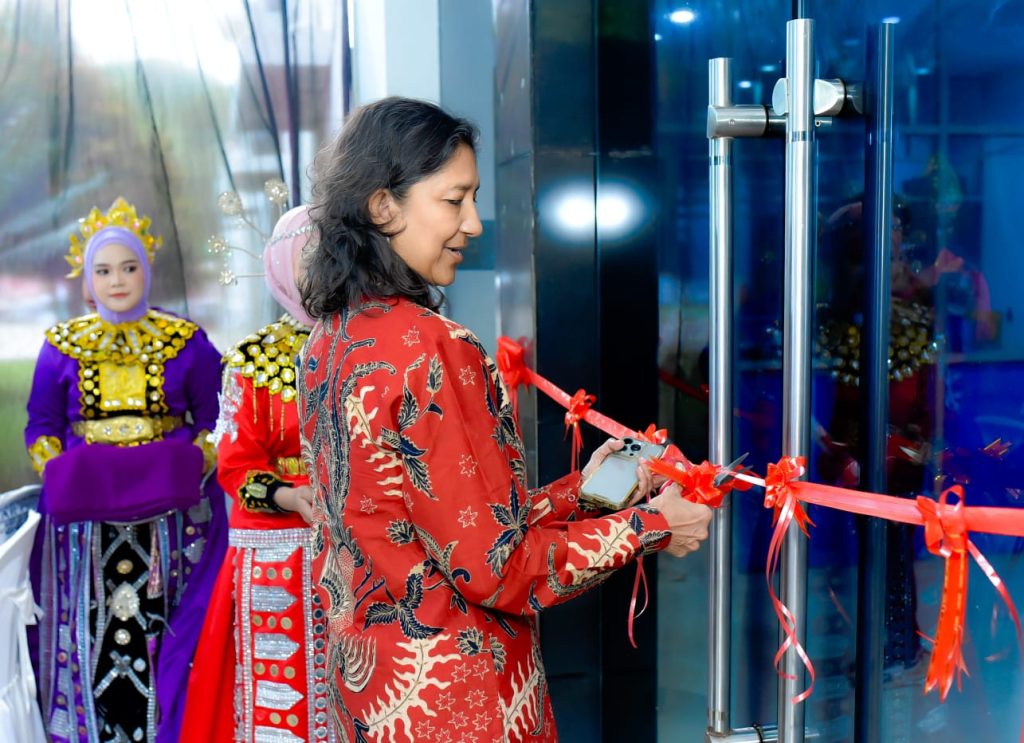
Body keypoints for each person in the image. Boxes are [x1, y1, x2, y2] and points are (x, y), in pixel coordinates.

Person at [297, 97, 712, 742]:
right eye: (453, 200)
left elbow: (441, 527)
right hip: (463, 700)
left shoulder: (329, 342)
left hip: (374, 697)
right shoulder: (435, 347)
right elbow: (500, 569)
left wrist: (584, 493)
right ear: (383, 207)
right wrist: (653, 525)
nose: (473, 223)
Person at [24, 198, 226, 743]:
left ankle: (168, 727)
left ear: (146, 270)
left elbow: (218, 416)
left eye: (129, 267)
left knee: (166, 622)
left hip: (171, 518)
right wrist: (60, 469)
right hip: (85, 524)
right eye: (105, 270)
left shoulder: (186, 341)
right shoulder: (60, 347)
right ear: (88, 279)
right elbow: (40, 425)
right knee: (90, 625)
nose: (117, 281)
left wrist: (195, 461)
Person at [180, 205, 332, 742]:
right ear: (282, 266)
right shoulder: (251, 360)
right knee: (280, 698)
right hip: (279, 546)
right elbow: (236, 464)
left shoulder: (373, 346)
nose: (325, 274)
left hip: (362, 539)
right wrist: (290, 495)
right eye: (310, 261)